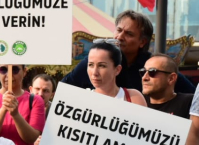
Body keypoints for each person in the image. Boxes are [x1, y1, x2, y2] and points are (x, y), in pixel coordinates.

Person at [61, 10, 195, 94]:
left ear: (142, 42)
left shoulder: (154, 66)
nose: (120, 37)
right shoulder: (93, 60)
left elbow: (192, 95)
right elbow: (64, 90)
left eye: (129, 34)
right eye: (119, 30)